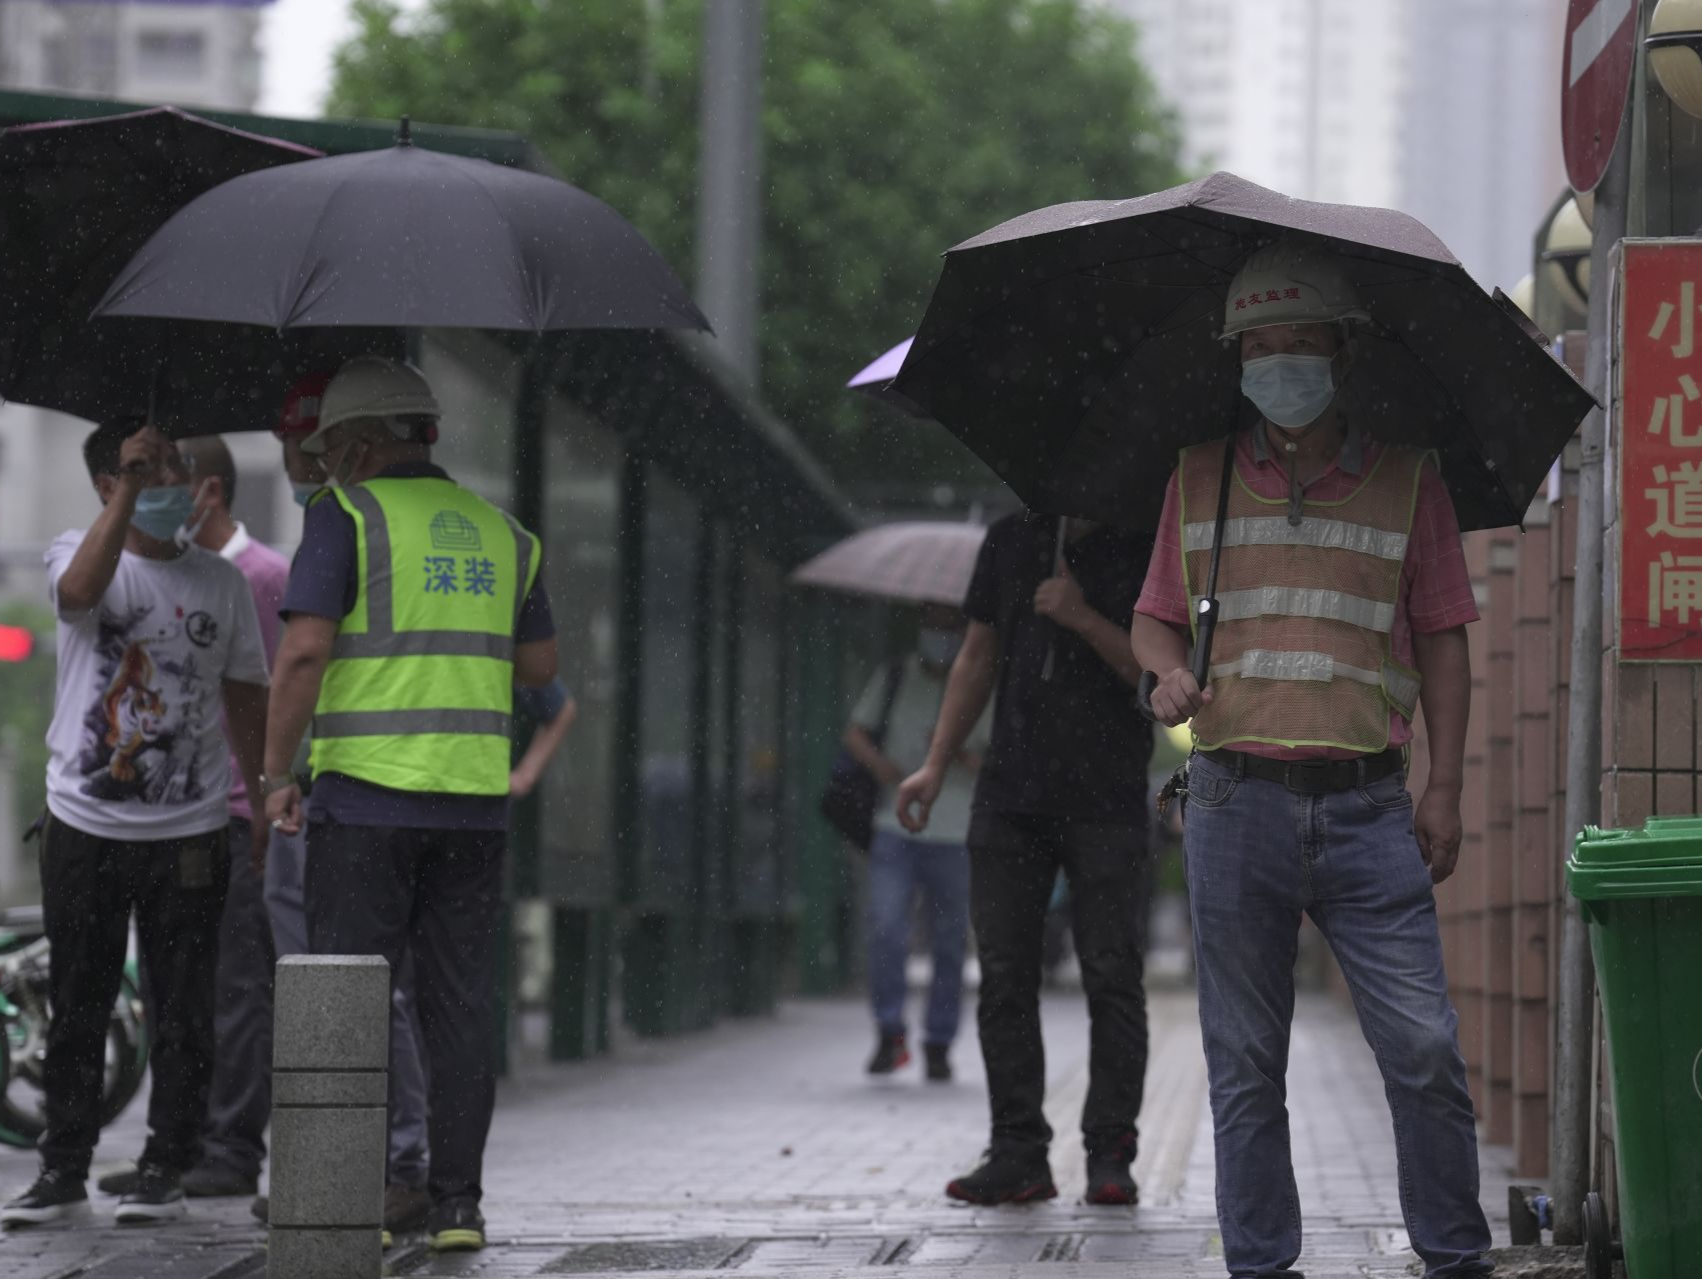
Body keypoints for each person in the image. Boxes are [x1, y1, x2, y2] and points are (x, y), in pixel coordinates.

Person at [1129, 240, 1492, 1279]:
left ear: (1342, 351)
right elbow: (1153, 621)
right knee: (1243, 1065)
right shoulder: (1197, 480)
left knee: (1422, 1048)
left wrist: (1449, 784)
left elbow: (1445, 636)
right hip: (1234, 798)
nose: (1277, 364)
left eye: (1298, 344)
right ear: (1236, 359)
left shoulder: (1408, 482)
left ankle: (1456, 1256)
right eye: (1258, 347)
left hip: (1372, 809)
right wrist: (1164, 678)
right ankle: (1260, 1264)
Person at [262, 356, 558, 1254]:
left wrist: (276, 771)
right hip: (471, 805)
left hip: (367, 798)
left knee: (346, 997)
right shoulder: (505, 532)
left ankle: (337, 1198)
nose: (325, 463)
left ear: (358, 443)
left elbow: (306, 652)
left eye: (331, 447)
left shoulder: (343, 517)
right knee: (459, 1003)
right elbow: (540, 669)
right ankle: (457, 1203)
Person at [1, 422, 269, 1228]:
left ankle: (166, 1162)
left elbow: (247, 694)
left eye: (176, 466)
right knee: (80, 1000)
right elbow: (79, 598)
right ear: (105, 484)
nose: (171, 481)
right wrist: (126, 491)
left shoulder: (219, 582)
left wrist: (260, 799)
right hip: (85, 824)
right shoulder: (74, 552)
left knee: (185, 1006)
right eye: (148, 469)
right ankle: (63, 1165)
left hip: (189, 831)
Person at [895, 513, 1154, 1207]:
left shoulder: (1146, 539)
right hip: (1010, 795)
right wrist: (934, 764)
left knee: (1111, 973)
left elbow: (1157, 675)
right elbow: (976, 654)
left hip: (1108, 797)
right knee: (1006, 974)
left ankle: (1110, 1151)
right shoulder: (1011, 538)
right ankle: (1018, 1150)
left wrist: (1083, 616)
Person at [93, 436, 290, 1204]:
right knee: (183, 990)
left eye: (169, 478)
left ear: (206, 491)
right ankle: (179, 1145)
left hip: (237, 813)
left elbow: (270, 697)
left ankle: (231, 1145)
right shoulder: (167, 575)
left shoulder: (265, 576)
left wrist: (268, 794)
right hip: (174, 817)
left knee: (238, 986)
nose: (158, 492)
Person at [842, 605, 988, 1082]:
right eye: (932, 626)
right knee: (886, 927)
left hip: (956, 831)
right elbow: (855, 732)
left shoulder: (983, 680)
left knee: (949, 943)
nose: (939, 637)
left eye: (949, 628)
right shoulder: (895, 677)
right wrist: (881, 765)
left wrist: (956, 754)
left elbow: (1004, 757)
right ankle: (889, 1031)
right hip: (895, 825)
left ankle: (939, 1042)